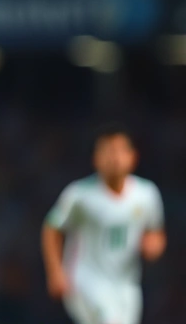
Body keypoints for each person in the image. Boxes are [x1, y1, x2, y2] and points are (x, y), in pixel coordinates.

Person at [41, 127, 165, 324]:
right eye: (107, 151)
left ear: (132, 156)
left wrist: (154, 247)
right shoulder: (79, 195)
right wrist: (55, 271)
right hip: (86, 281)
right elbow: (51, 227)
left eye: (118, 151)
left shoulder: (147, 194)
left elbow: (155, 232)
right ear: (95, 158)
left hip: (126, 285)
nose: (113, 158)